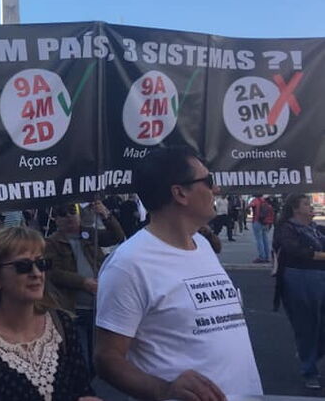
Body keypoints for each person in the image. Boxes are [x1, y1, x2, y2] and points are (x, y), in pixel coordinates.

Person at [94, 145, 262, 400]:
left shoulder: (202, 245)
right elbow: (106, 358)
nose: (216, 189)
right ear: (180, 193)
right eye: (208, 181)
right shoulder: (128, 265)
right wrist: (164, 390)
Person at [0, 226, 98, 401]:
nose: (37, 273)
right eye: (23, 266)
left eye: (41, 263)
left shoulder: (62, 324)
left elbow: (83, 389)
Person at [45, 200, 125, 372]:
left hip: (98, 305)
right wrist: (83, 283)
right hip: (74, 308)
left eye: (72, 210)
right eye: (62, 212)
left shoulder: (89, 233)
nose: (68, 216)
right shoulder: (51, 243)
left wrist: (106, 214)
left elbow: (117, 236)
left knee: (100, 356)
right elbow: (53, 273)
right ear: (55, 219)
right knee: (82, 358)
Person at [272, 193, 325, 389]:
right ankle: (308, 369)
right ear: (295, 208)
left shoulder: (315, 228)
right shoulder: (287, 228)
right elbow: (296, 251)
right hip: (299, 278)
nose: (310, 207)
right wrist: (320, 255)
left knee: (320, 327)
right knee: (307, 325)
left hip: (320, 277)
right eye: (306, 204)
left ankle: (308, 353)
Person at [249, 193, 275, 263]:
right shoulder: (265, 201)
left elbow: (249, 206)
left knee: (259, 240)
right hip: (265, 222)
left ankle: (262, 257)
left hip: (257, 221)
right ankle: (267, 257)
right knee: (265, 239)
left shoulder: (255, 200)